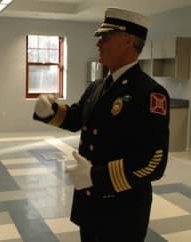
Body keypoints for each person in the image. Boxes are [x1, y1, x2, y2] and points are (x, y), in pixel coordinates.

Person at [33, 8, 170, 242]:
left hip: (123, 209)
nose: (98, 43)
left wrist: (96, 176)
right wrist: (50, 112)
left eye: (106, 38)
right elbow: (78, 118)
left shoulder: (148, 93)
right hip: (90, 202)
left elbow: (152, 162)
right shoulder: (98, 86)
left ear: (128, 41)